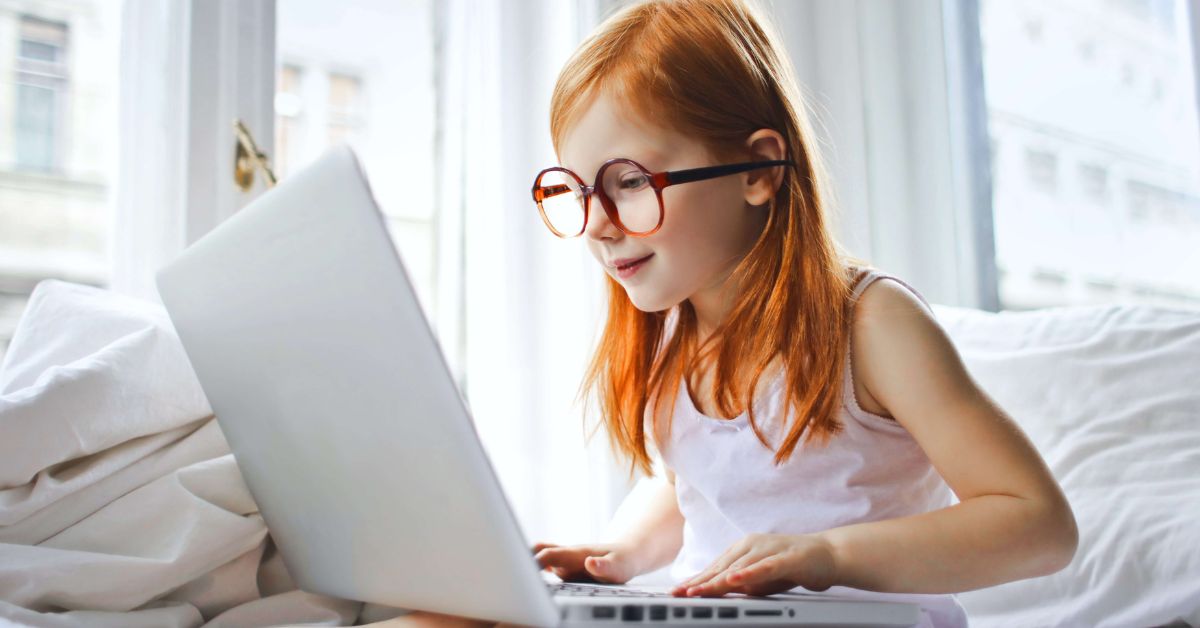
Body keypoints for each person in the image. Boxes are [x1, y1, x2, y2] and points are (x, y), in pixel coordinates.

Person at [395, 0, 1077, 626]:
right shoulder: (677, 337)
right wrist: (620, 554)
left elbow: (1038, 525)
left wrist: (827, 555)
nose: (597, 225)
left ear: (758, 171)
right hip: (718, 619)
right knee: (436, 617)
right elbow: (691, 483)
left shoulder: (871, 324)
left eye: (629, 182)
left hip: (864, 620)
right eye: (578, 191)